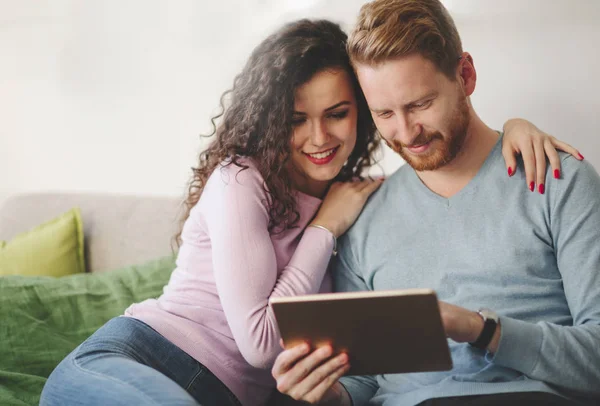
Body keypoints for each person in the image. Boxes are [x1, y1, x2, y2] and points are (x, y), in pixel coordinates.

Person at [40, 16, 582, 406]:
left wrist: (516, 125)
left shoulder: (358, 198)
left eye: (339, 113)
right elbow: (260, 344)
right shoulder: (246, 181)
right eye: (297, 119)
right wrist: (324, 228)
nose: (319, 137)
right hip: (140, 360)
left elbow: (351, 358)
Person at [271, 1, 600, 406]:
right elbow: (365, 382)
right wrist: (324, 391)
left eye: (420, 104)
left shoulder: (557, 181)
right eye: (384, 113)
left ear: (465, 75)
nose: (406, 133)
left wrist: (481, 330)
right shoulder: (365, 215)